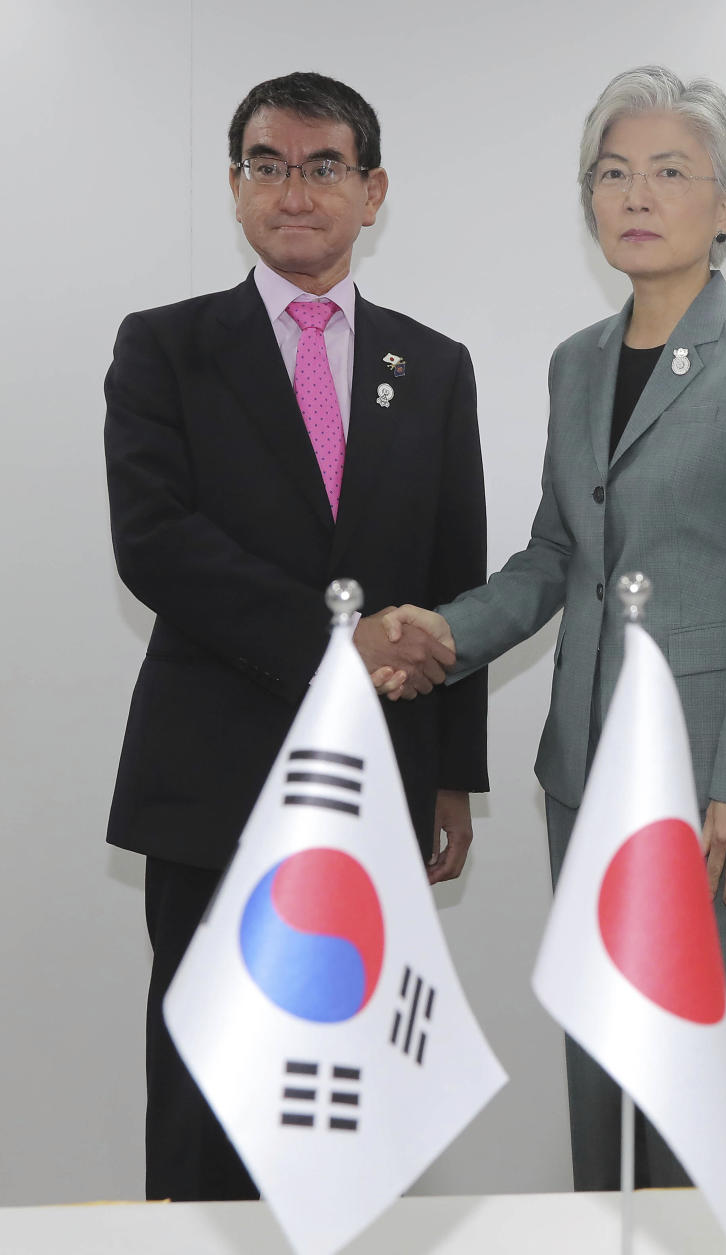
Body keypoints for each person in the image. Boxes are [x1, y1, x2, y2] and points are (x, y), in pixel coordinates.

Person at [381, 65, 726, 1190]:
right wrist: (440, 632)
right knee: (600, 1062)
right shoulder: (577, 363)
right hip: (587, 770)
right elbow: (553, 558)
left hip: (708, 782)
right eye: (613, 173)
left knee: (693, 1076)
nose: (636, 194)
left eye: (670, 172)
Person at [104, 71, 488, 1202]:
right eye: (267, 164)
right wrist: (343, 643)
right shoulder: (165, 347)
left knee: (350, 1100)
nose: (295, 189)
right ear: (235, 189)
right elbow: (155, 544)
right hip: (212, 773)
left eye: (324, 166)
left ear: (372, 193)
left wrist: (453, 774)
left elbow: (452, 573)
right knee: (206, 1088)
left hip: (379, 780)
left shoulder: (435, 366)